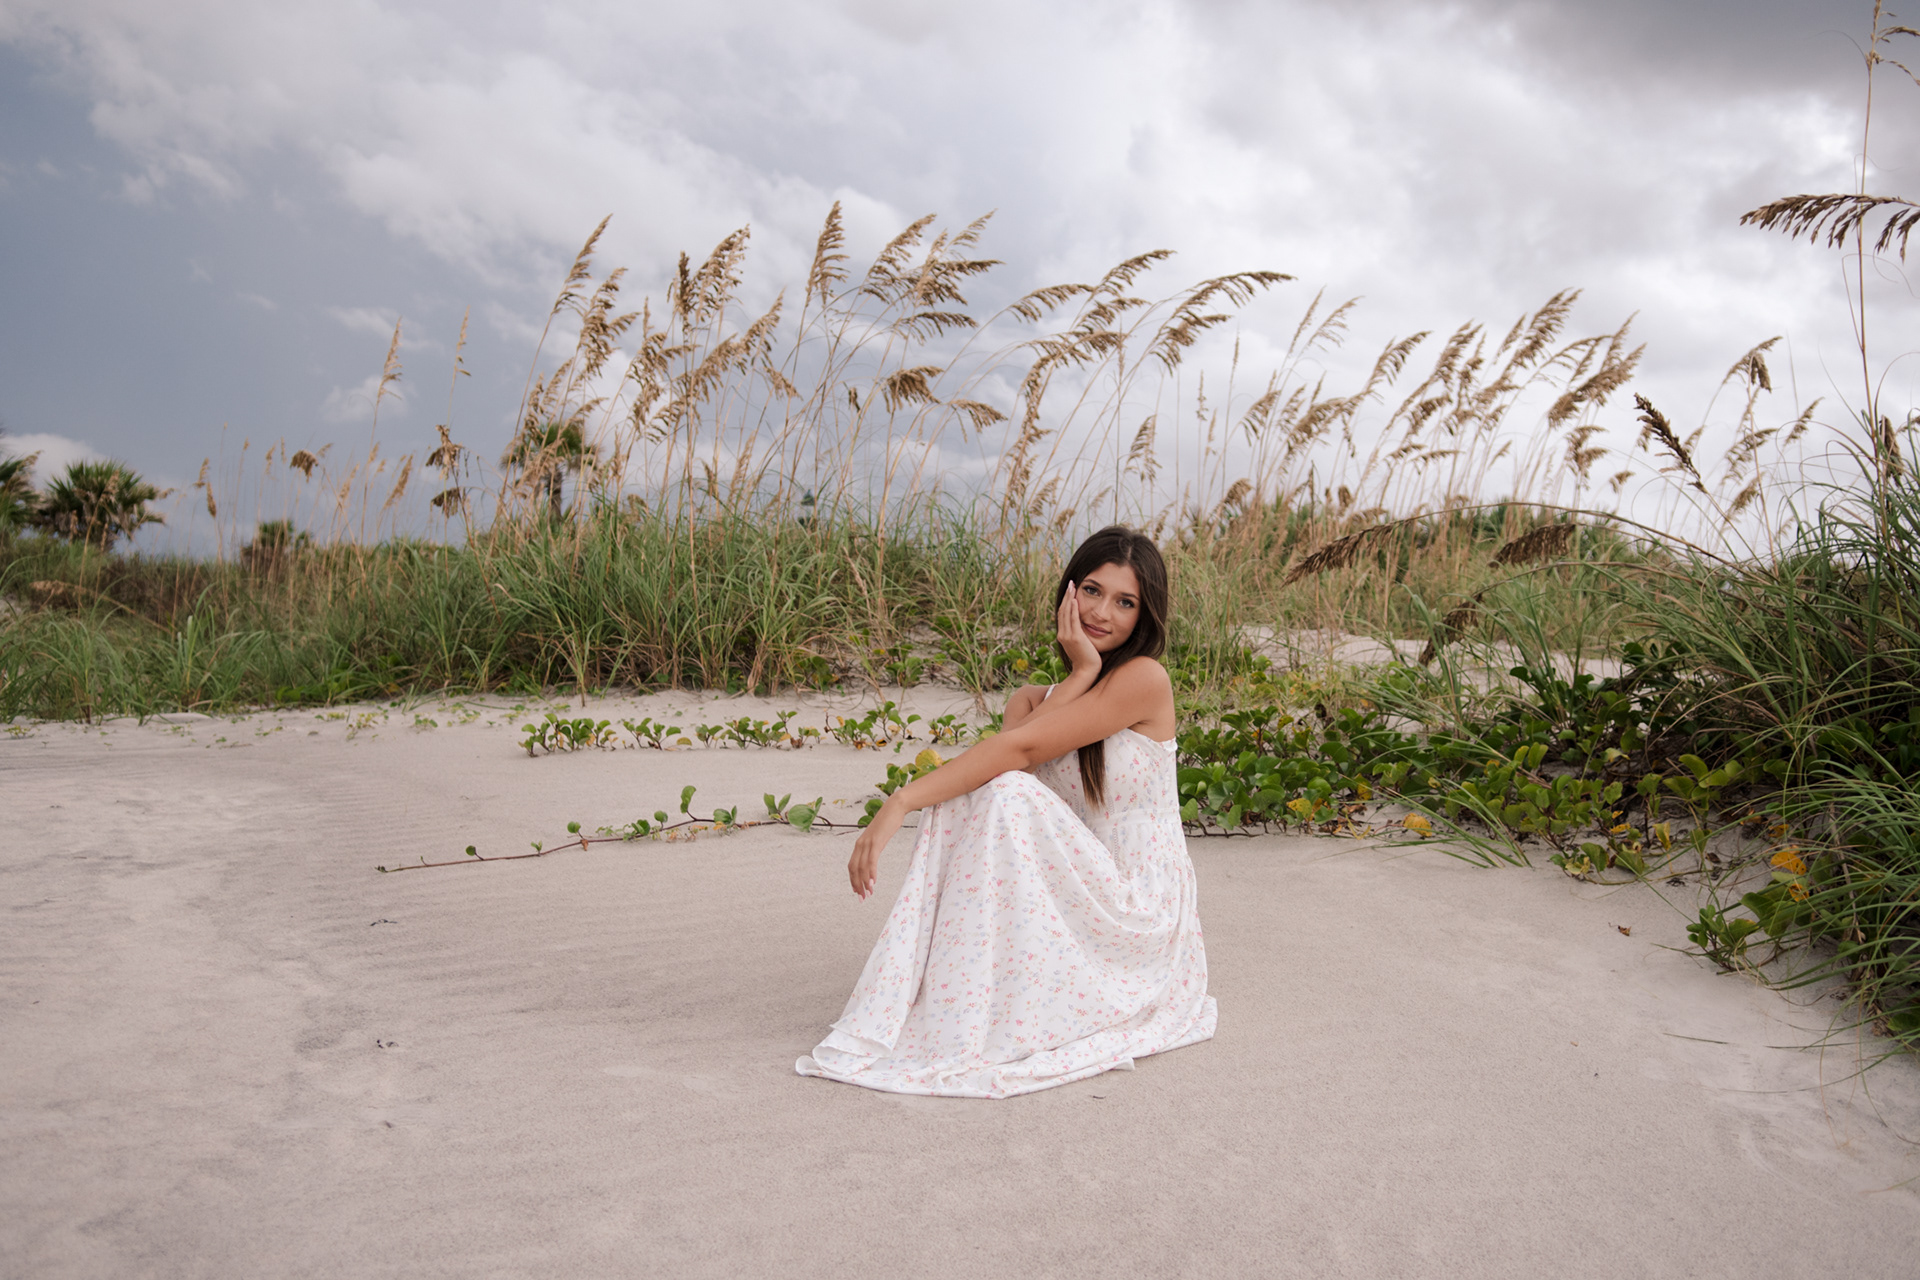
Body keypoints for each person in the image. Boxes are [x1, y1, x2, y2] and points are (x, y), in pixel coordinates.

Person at [796, 525, 1216, 1098]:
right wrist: (1080, 675)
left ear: (1144, 617)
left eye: (1125, 602)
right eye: (1091, 590)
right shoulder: (1031, 699)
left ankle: (963, 998)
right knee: (987, 789)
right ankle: (956, 994)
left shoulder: (1145, 680)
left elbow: (1019, 753)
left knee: (1001, 786)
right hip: (1070, 893)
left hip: (1136, 902)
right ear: (1068, 591)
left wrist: (903, 800)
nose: (1102, 613)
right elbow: (1000, 772)